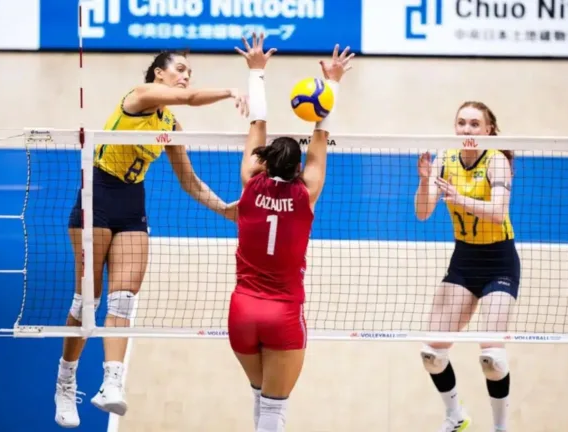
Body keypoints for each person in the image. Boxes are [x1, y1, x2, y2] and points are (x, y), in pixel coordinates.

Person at [54, 50, 246, 428]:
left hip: (131, 203)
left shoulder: (169, 124)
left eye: (189, 72)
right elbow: (189, 98)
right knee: (86, 300)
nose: (186, 76)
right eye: (180, 69)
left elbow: (188, 181)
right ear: (159, 73)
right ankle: (65, 380)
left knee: (123, 300)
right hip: (97, 195)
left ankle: (111, 383)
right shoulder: (138, 97)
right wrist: (230, 91)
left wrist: (225, 209)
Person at [228, 34, 354, 432]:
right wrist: (331, 85)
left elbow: (257, 123)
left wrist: (256, 71)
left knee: (260, 400)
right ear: (297, 168)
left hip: (242, 312)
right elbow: (320, 138)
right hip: (282, 314)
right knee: (273, 410)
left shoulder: (250, 182)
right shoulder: (306, 193)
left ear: (262, 163)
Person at [414, 101, 519, 432]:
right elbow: (423, 212)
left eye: (475, 124)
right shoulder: (445, 159)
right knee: (432, 353)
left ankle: (500, 427)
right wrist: (424, 181)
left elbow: (498, 213)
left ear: (488, 130)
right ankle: (456, 415)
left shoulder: (497, 162)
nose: (467, 130)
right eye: (462, 123)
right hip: (464, 260)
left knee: (492, 358)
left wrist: (458, 198)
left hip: (499, 262)